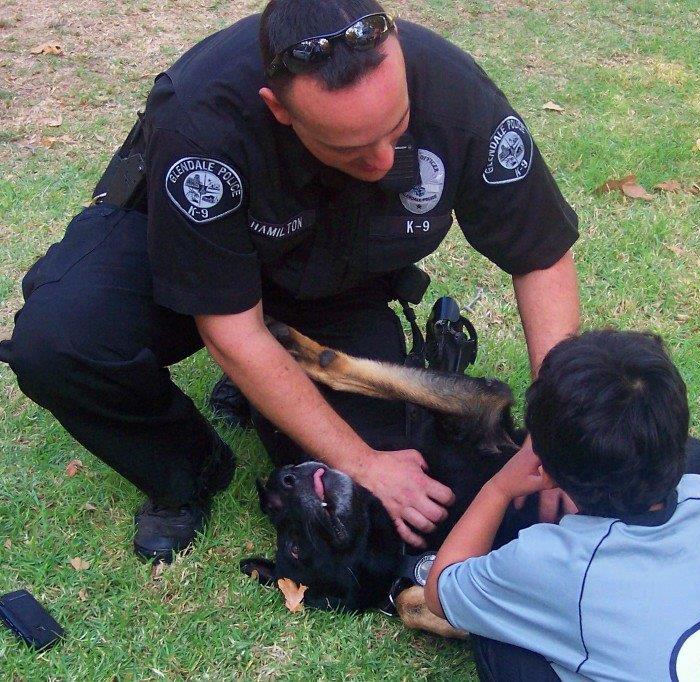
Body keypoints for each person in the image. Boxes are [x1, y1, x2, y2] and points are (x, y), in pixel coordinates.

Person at [0, 0, 580, 563]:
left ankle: (262, 391)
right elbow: (232, 331)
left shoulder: (457, 95)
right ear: (279, 110)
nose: (384, 162)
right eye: (351, 148)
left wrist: (558, 428)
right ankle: (187, 467)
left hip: (329, 285)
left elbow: (541, 256)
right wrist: (362, 462)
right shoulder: (203, 122)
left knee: (388, 480)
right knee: (61, 341)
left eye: (396, 128)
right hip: (182, 254)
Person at [425, 330, 700, 682]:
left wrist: (497, 489)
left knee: (496, 635)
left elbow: (439, 591)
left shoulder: (554, 563)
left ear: (547, 469)